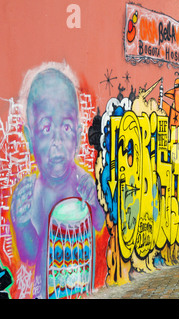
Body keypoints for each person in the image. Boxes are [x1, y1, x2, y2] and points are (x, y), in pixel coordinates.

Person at [10, 63, 105, 298]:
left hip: (82, 288)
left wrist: (93, 202)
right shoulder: (33, 191)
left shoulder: (82, 181)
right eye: (45, 128)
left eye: (66, 126)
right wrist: (21, 224)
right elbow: (29, 255)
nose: (57, 140)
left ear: (79, 135)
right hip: (46, 291)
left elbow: (100, 224)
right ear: (29, 138)